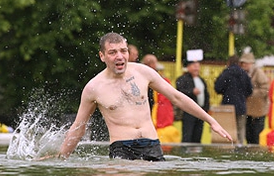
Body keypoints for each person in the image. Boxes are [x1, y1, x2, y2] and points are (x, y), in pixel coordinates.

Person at [58, 33, 232, 160]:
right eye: (112, 52)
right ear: (102, 56)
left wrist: (211, 121)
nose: (119, 56)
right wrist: (61, 158)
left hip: (152, 145)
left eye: (123, 51)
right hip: (122, 149)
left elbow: (176, 97)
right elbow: (78, 127)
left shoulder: (143, 72)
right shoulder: (93, 88)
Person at [142, 53, 181, 143]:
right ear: (152, 64)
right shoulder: (159, 79)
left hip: (151, 110)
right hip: (157, 112)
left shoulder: (141, 77)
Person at [214, 55, 253, 144]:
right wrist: (242, 96)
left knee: (227, 129)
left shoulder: (225, 73)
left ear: (229, 63)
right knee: (241, 129)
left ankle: (228, 146)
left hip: (227, 106)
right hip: (241, 106)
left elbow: (218, 88)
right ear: (239, 63)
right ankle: (239, 147)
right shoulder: (244, 74)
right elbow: (250, 90)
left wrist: (226, 92)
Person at [176, 49, 210, 143]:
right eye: (194, 66)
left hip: (200, 111)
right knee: (188, 136)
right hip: (188, 112)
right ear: (188, 67)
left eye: (198, 66)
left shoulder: (201, 80)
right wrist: (191, 92)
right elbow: (179, 91)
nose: (196, 68)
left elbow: (206, 95)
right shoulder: (182, 79)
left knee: (197, 137)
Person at [240, 51, 270, 144]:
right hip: (248, 110)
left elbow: (265, 89)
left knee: (257, 135)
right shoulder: (242, 74)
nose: (244, 65)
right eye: (242, 63)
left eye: (246, 63)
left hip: (259, 110)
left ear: (251, 63)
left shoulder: (258, 73)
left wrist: (251, 93)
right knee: (248, 135)